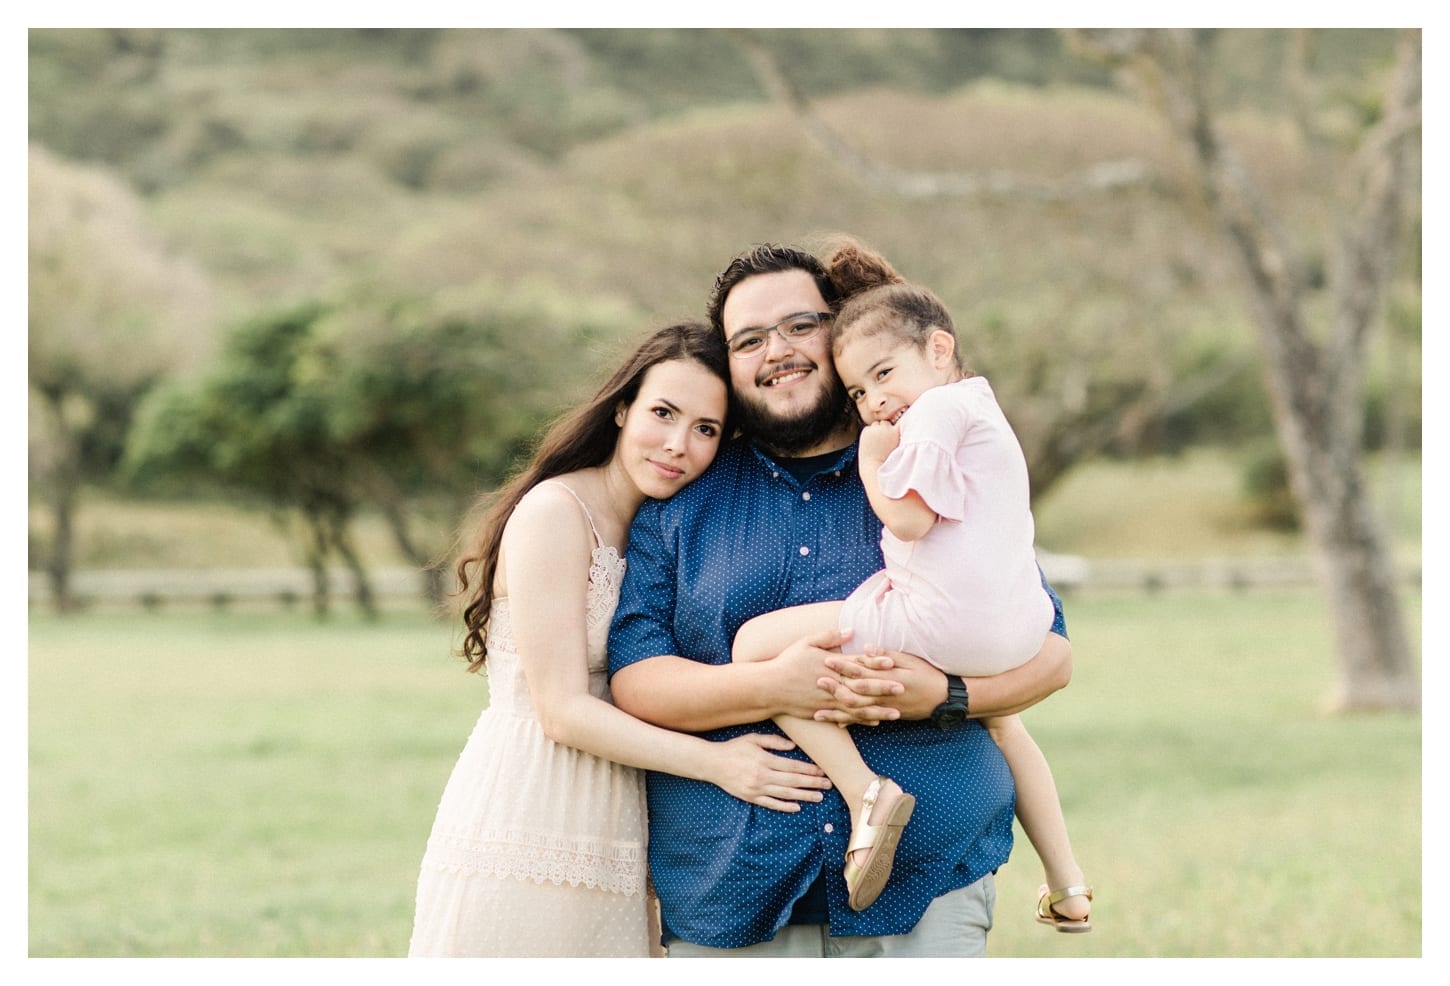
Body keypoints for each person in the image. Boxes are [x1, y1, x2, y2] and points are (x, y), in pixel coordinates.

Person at [608, 242, 1074, 957]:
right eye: (749, 340)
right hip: (732, 890)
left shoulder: (924, 461)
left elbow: (1048, 654)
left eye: (801, 326)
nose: (778, 351)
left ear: (844, 332)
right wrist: (766, 685)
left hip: (929, 887)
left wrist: (943, 695)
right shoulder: (680, 503)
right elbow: (636, 681)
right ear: (728, 365)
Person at [407, 322, 832, 958]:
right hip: (534, 804)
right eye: (663, 413)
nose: (677, 445)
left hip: (622, 804)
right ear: (622, 409)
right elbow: (560, 709)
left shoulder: (671, 531)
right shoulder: (556, 512)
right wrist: (721, 764)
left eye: (705, 429)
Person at [730, 239, 1092, 929]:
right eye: (862, 391)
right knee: (1007, 727)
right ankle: (1068, 881)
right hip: (1012, 623)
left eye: (884, 374)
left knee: (757, 651)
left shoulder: (928, 417)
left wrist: (872, 461)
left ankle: (867, 792)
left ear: (939, 350)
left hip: (940, 622)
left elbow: (911, 516)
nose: (875, 402)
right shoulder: (982, 413)